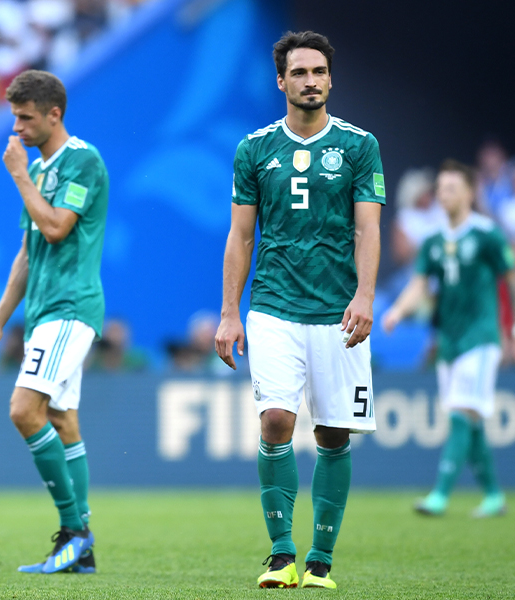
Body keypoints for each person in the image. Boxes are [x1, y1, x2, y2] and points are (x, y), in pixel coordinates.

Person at [214, 31, 384, 589]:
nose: (310, 81)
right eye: (299, 72)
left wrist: (363, 295)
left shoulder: (360, 145)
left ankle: (321, 563)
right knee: (277, 420)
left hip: (338, 310)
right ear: (281, 81)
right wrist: (229, 312)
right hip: (274, 306)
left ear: (330, 79)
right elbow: (240, 238)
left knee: (334, 436)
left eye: (318, 71)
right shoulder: (254, 149)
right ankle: (282, 554)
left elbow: (368, 227)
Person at [0, 70, 108, 574]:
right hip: (43, 314)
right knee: (60, 420)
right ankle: (83, 553)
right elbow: (28, 256)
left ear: (54, 114)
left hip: (71, 308)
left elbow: (55, 229)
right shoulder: (43, 169)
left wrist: (19, 175)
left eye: (25, 117)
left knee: (23, 410)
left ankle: (76, 530)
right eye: (14, 115)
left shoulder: (82, 162)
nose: (16, 126)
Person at [382, 160, 511, 519]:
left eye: (452, 188)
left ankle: (439, 495)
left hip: (482, 336)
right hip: (449, 339)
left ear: (470, 193)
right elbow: (419, 284)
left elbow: (510, 276)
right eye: (440, 188)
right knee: (469, 417)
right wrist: (397, 312)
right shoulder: (435, 242)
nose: (443, 195)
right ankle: (493, 496)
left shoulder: (487, 234)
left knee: (460, 411)